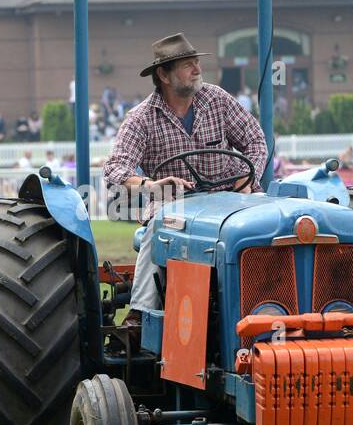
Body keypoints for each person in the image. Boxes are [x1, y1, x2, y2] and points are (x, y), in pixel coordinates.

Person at [102, 33, 267, 323]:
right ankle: (140, 315)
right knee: (158, 228)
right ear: (164, 75)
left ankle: (275, 302)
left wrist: (245, 180)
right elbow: (115, 168)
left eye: (196, 63)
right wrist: (150, 185)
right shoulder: (141, 118)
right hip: (176, 205)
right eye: (187, 64)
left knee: (273, 222)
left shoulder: (217, 100)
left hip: (233, 196)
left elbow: (255, 141)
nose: (197, 69)